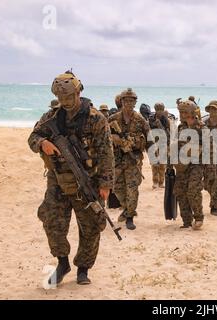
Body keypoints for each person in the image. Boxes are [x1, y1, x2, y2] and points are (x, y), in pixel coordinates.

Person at [28, 71, 114, 286]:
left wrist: (105, 183)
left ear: (78, 92)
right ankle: (62, 262)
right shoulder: (51, 117)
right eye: (61, 98)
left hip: (88, 181)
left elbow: (106, 152)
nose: (65, 102)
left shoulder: (96, 119)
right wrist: (42, 144)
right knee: (51, 220)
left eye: (68, 97)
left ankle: (83, 269)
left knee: (92, 225)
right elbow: (33, 137)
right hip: (58, 180)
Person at [108, 88, 150, 231]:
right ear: (122, 101)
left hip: (133, 159)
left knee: (132, 189)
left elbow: (149, 139)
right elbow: (103, 136)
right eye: (126, 100)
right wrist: (115, 139)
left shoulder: (140, 120)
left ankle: (130, 217)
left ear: (135, 102)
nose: (129, 103)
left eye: (132, 101)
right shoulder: (113, 119)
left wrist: (135, 143)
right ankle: (127, 209)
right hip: (118, 160)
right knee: (117, 188)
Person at [173, 100, 205, 230]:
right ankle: (186, 220)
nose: (181, 114)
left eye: (184, 112)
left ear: (191, 112)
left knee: (193, 190)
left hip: (196, 165)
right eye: (180, 112)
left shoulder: (201, 127)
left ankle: (198, 218)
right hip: (182, 165)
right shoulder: (181, 127)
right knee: (180, 191)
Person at [148, 102, 170, 189]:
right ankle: (155, 182)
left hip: (163, 143)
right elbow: (148, 130)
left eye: (161, 109)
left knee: (162, 164)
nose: (159, 111)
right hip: (153, 143)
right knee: (154, 164)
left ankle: (161, 182)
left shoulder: (165, 120)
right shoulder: (151, 119)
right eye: (158, 109)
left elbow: (168, 133)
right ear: (155, 109)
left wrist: (160, 125)